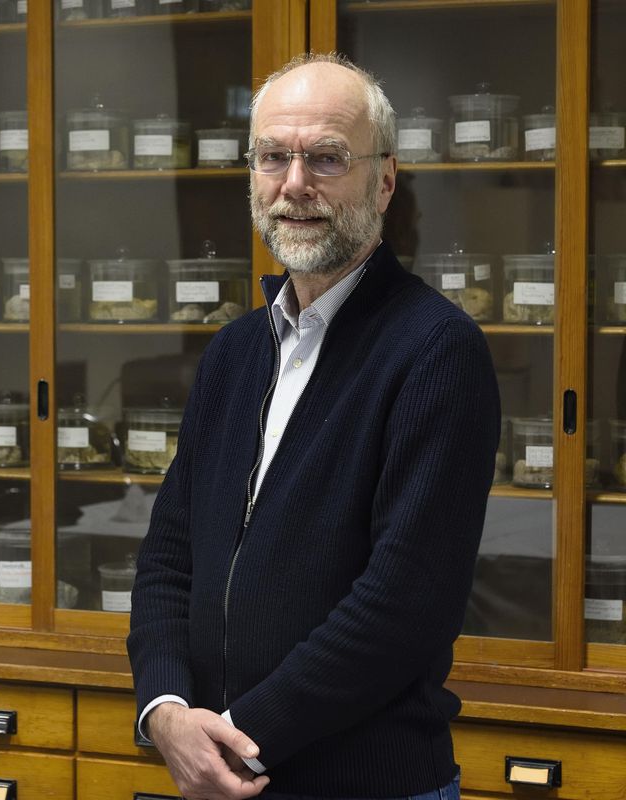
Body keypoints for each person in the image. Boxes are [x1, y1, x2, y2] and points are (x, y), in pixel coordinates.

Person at [128, 53, 500, 799]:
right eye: (274, 157)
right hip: (216, 771)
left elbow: (403, 606)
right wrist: (165, 710)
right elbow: (169, 556)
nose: (294, 184)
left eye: (326, 158)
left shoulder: (436, 351)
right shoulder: (235, 352)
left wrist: (236, 741)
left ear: (384, 181)